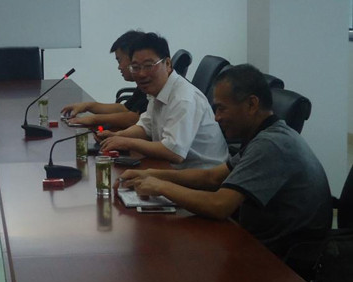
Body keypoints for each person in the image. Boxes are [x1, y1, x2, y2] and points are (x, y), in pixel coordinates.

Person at [119, 64, 333, 256]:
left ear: (252, 104)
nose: (217, 117)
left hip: (281, 260)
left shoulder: (271, 144)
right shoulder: (266, 134)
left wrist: (161, 187)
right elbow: (213, 177)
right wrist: (152, 174)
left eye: (222, 108)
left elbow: (219, 205)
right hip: (258, 239)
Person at [98, 32, 228, 169]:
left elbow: (173, 152)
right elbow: (146, 127)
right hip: (174, 168)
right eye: (135, 68)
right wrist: (116, 136)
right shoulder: (157, 90)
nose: (141, 73)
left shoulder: (184, 98)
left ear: (167, 64)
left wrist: (127, 143)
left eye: (149, 65)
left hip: (203, 175)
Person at [60, 30, 148, 130]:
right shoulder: (141, 86)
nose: (119, 67)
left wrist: (94, 119)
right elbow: (124, 109)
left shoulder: (150, 85)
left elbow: (134, 118)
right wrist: (87, 106)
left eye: (119, 60)